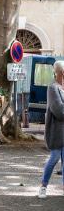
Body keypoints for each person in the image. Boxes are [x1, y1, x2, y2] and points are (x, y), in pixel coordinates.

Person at [38, 60, 64, 198]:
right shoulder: (53, 88)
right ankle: (43, 186)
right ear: (61, 73)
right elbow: (59, 111)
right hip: (56, 132)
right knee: (54, 159)